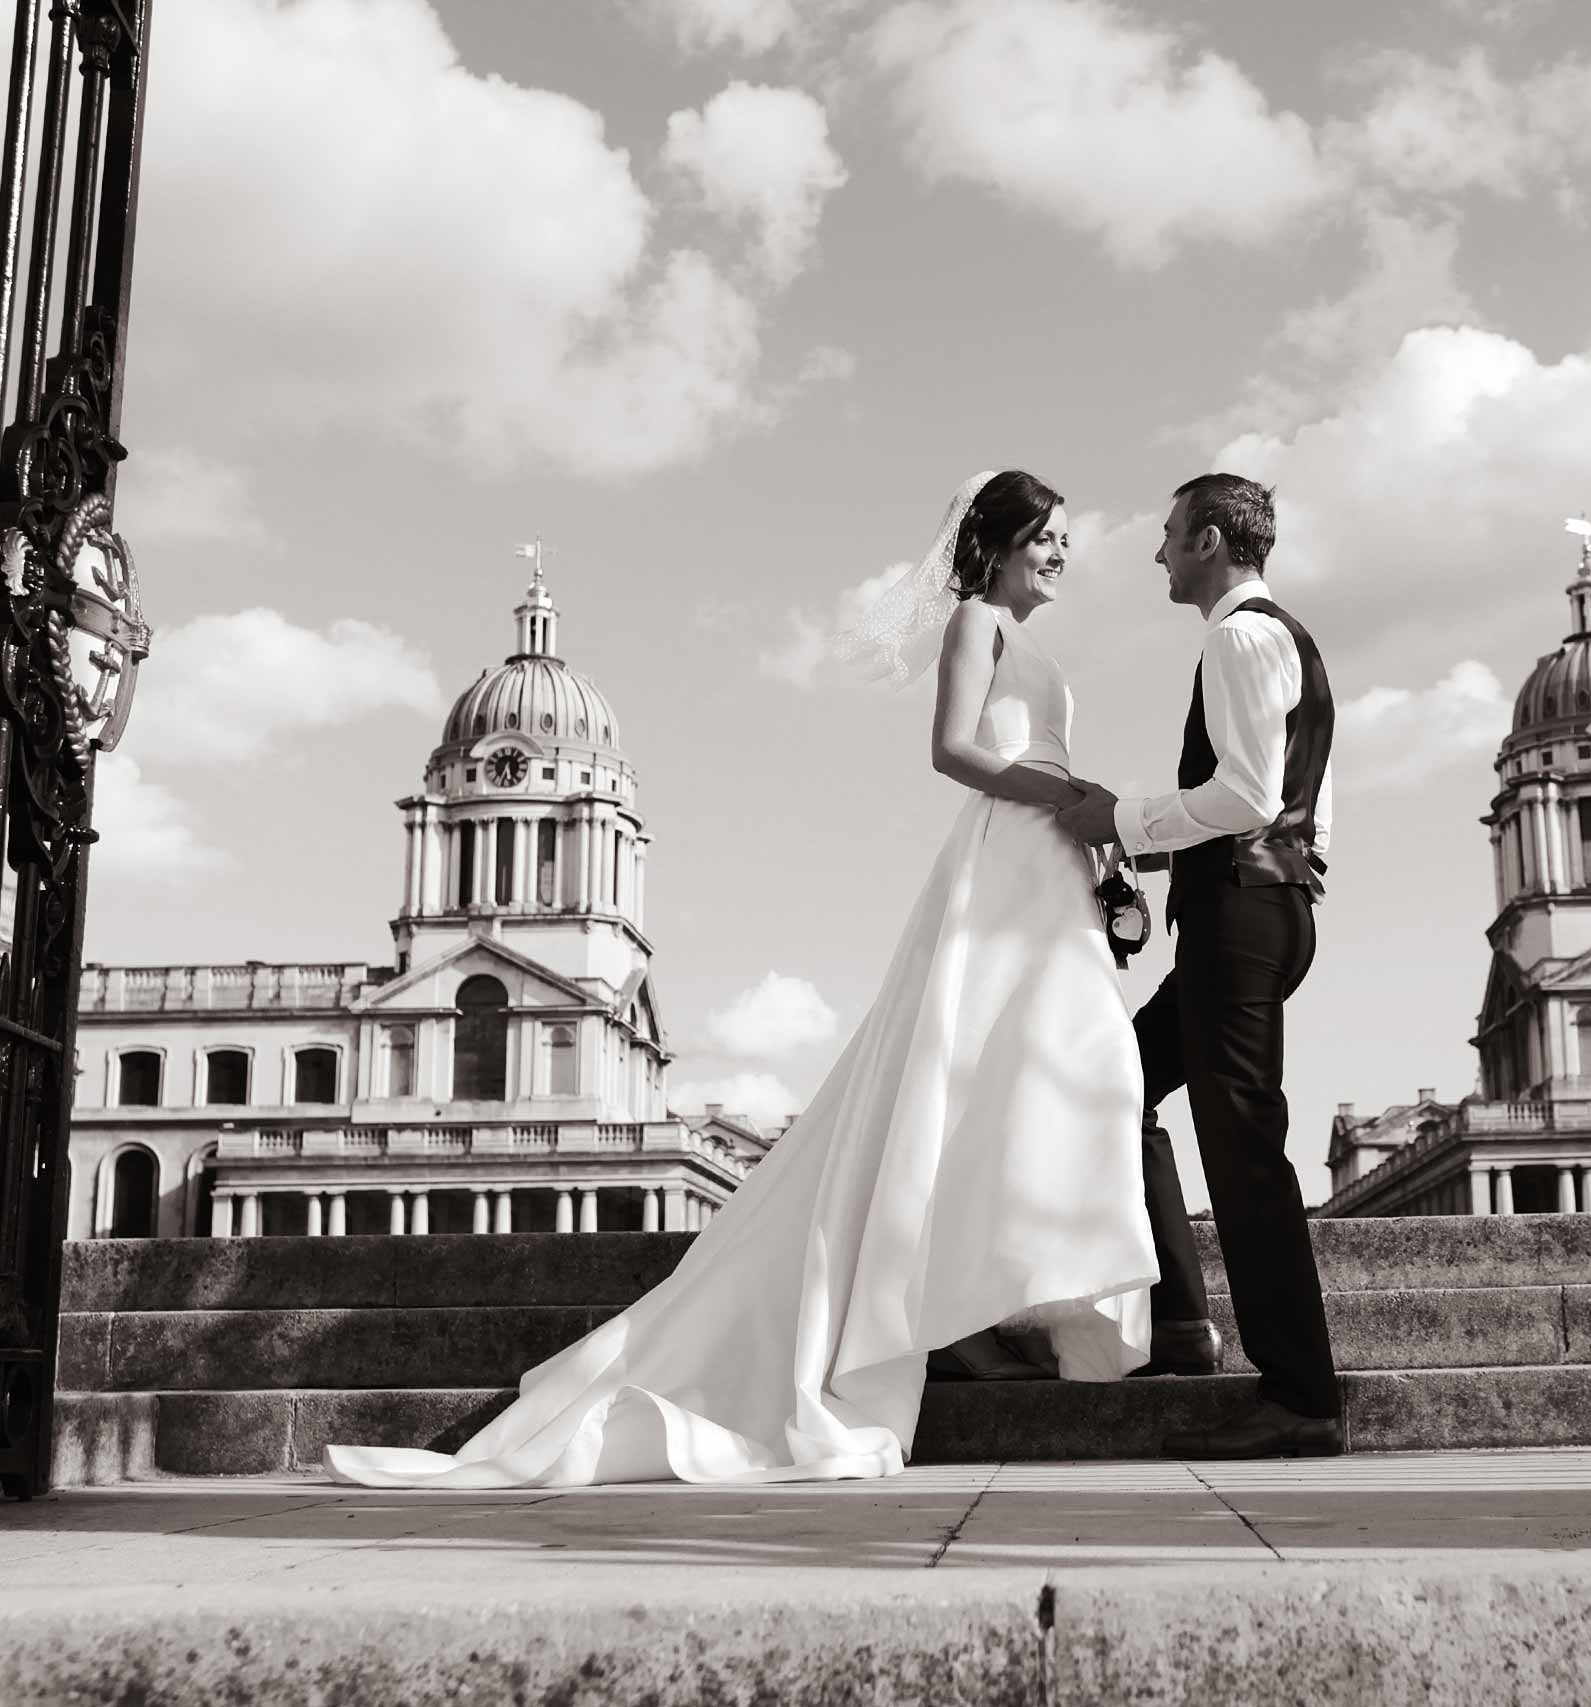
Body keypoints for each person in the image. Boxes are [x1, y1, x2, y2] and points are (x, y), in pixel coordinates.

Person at [323, 470, 1158, 1489]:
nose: (1064, 551)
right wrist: (1077, 796)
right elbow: (949, 750)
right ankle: (963, 1300)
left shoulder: (1033, 645)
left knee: (1053, 1067)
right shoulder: (976, 624)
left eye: (1067, 537)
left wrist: (1090, 826)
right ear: (998, 544)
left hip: (1047, 858)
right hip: (1015, 849)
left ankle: (1004, 1292)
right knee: (1004, 1069)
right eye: (1048, 535)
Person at [1059, 472, 1344, 1460]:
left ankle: (1302, 1397)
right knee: (1116, 1083)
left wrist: (1122, 822)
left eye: (1171, 535)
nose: (1159, 553)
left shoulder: (1240, 636)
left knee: (1243, 1148)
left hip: (1244, 913)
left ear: (1212, 541)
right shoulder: (1279, 638)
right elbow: (1298, 805)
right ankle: (1180, 1317)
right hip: (1266, 906)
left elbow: (1249, 795)